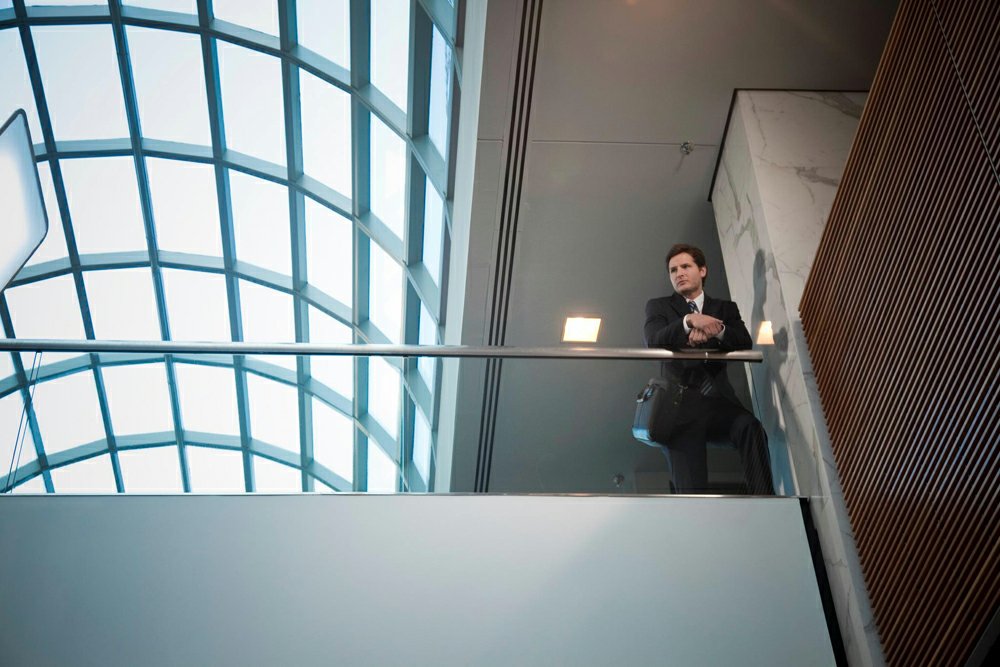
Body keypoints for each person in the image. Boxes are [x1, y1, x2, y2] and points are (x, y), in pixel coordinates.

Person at [643, 243, 774, 495]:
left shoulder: (725, 308)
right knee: (691, 493)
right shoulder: (658, 306)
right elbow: (653, 340)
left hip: (718, 403)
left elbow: (744, 341)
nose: (679, 273)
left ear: (702, 270)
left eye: (685, 266)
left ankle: (766, 501)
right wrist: (689, 321)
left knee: (750, 427)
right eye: (673, 270)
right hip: (678, 409)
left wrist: (716, 329)